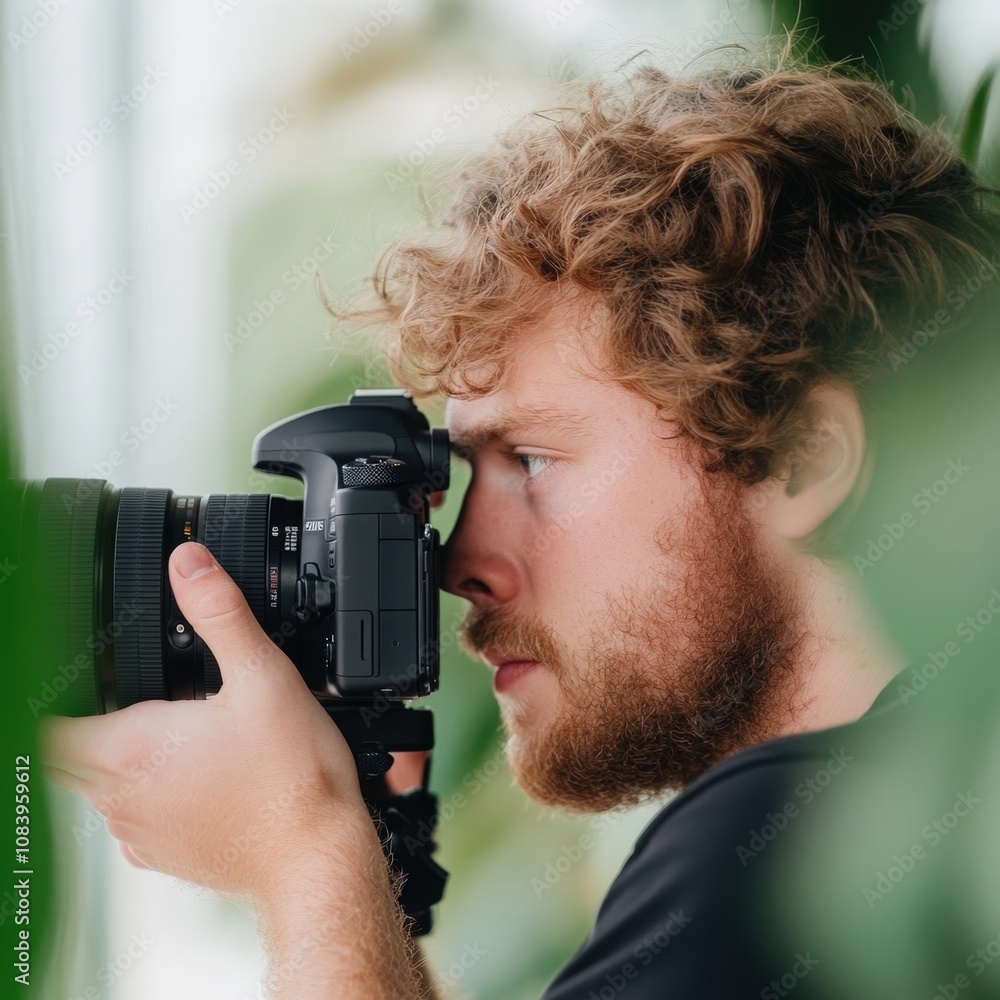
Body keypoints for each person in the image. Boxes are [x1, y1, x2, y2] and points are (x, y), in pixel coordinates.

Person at [41, 40, 1000, 999]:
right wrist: (349, 869)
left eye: (532, 461)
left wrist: (299, 856)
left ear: (804, 458)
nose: (460, 561)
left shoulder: (788, 849)